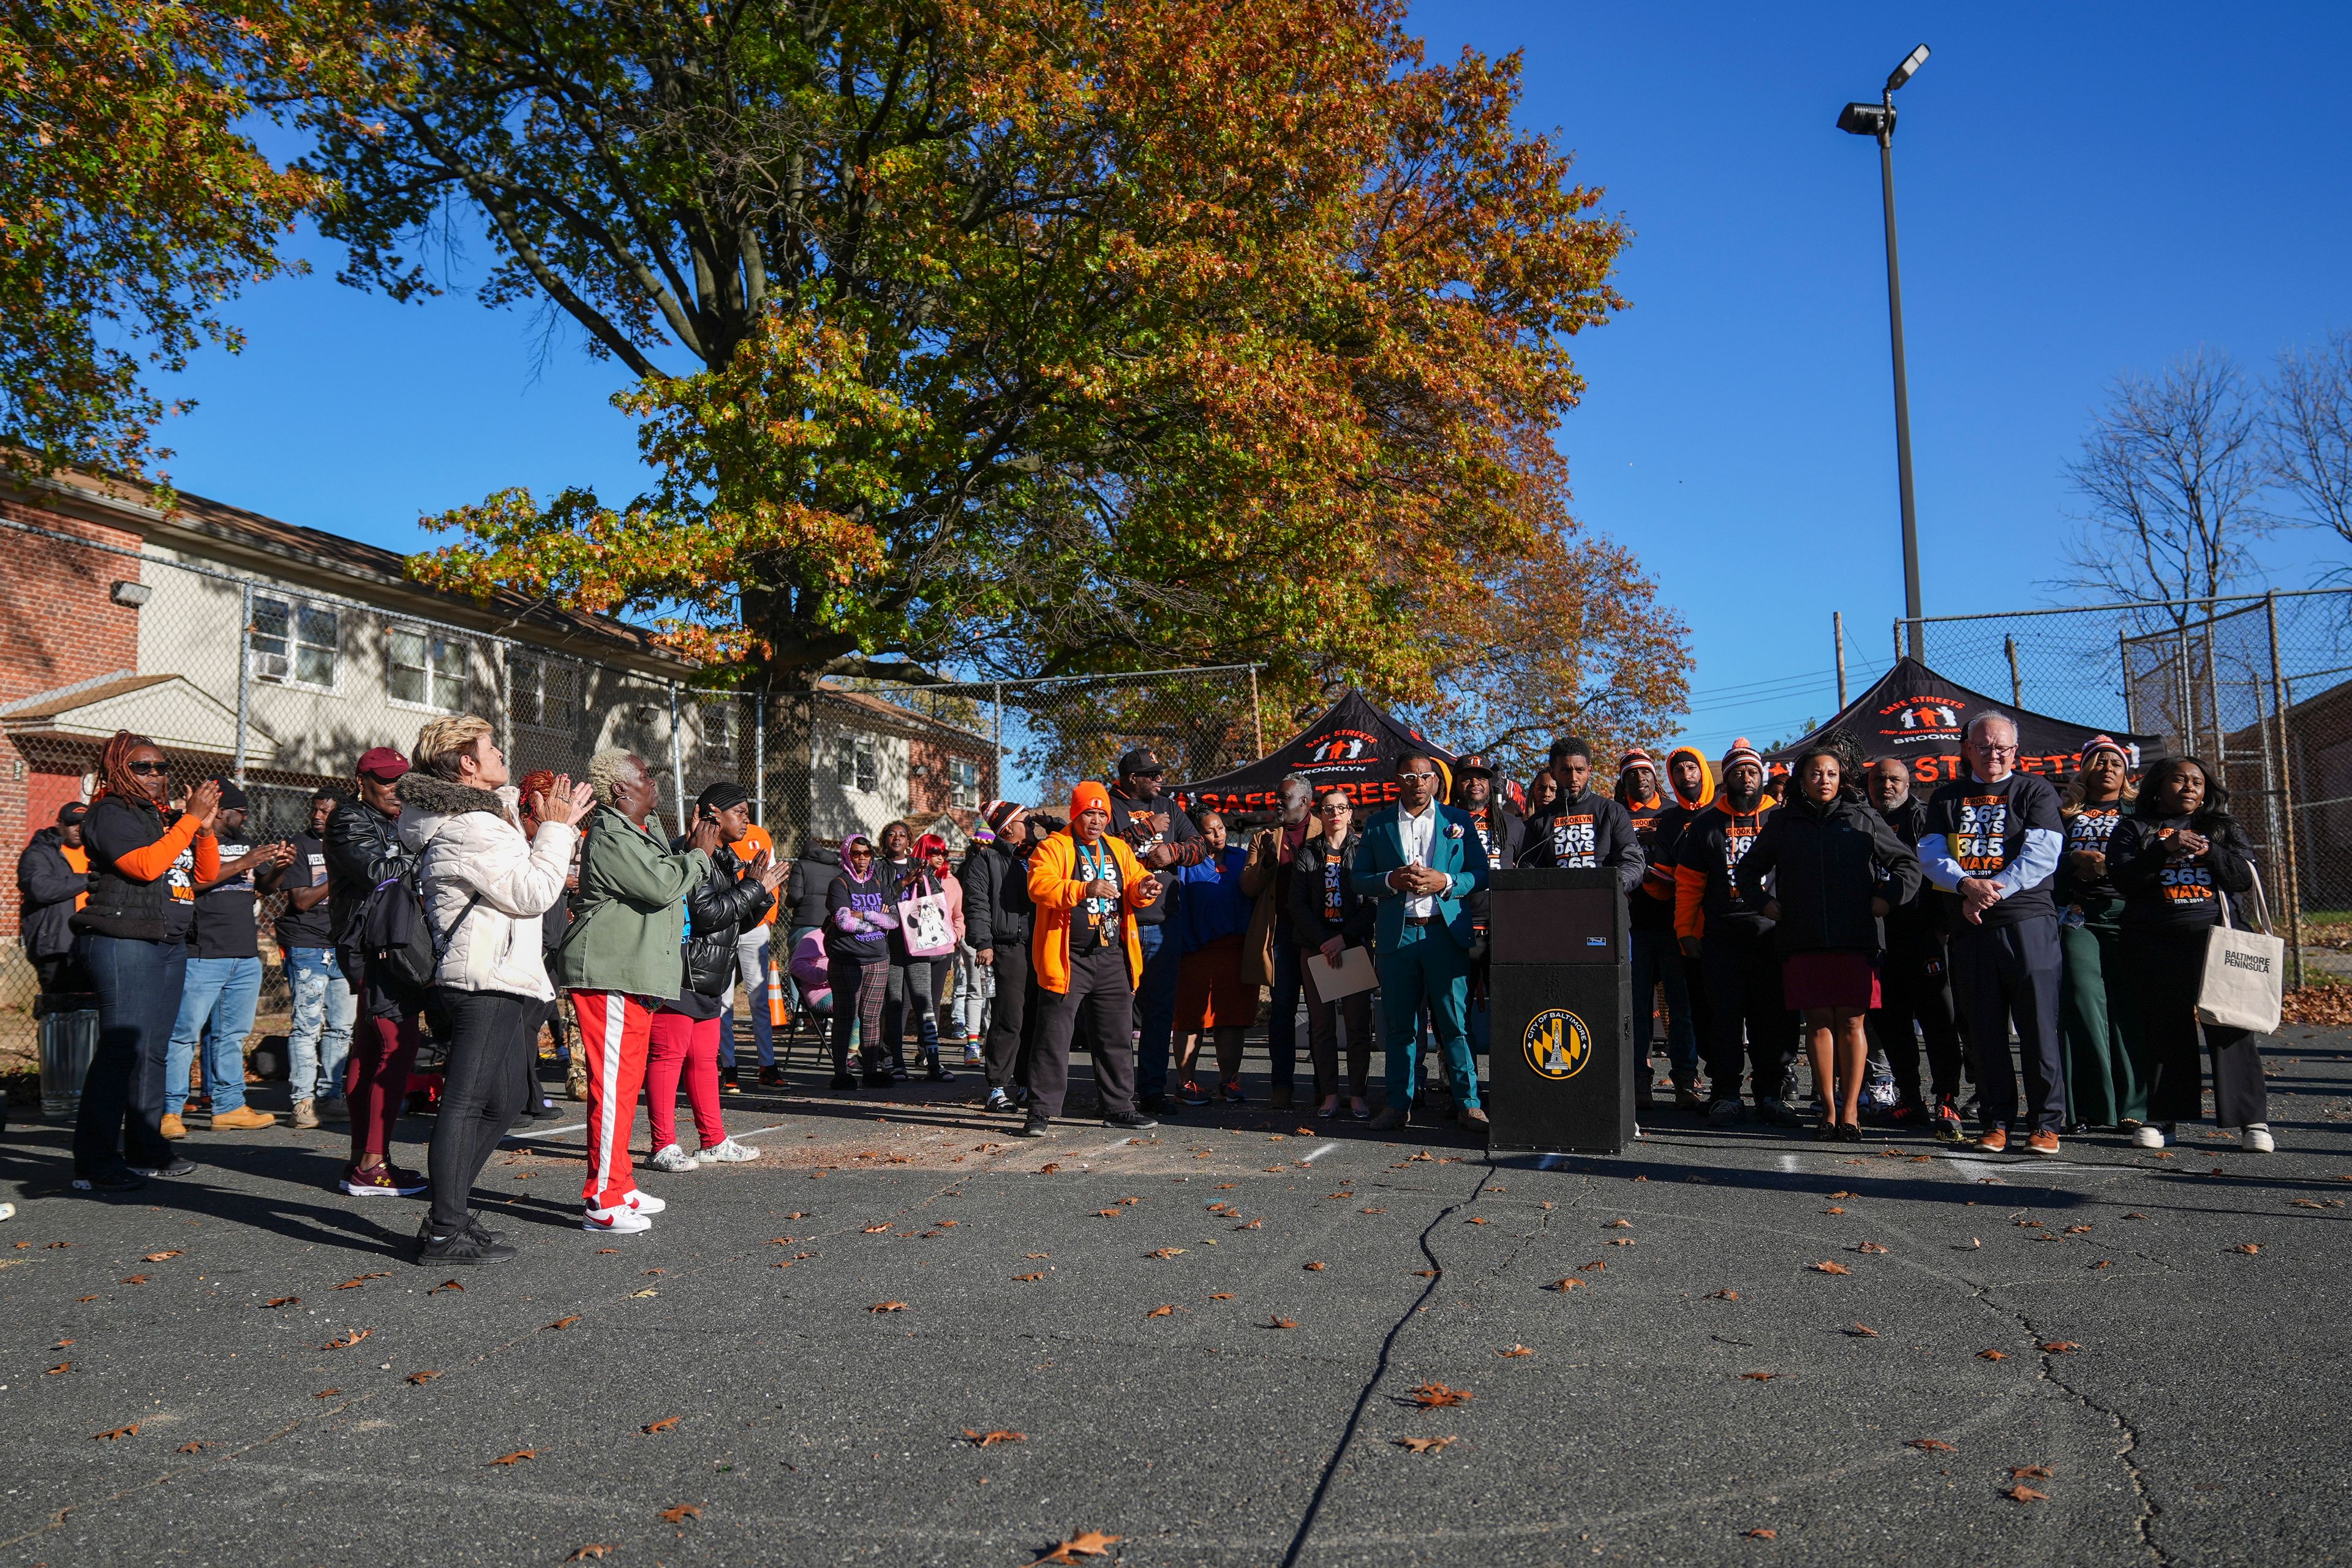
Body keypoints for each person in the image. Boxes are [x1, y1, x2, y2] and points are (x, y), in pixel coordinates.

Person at [396, 717, 588, 1263]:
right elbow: (532, 893)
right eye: (491, 747)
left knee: (503, 1103)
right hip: (483, 980)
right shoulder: (469, 827)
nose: (503, 751)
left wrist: (551, 821)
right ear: (467, 764)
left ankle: (449, 1210)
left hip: (502, 976)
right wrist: (556, 831)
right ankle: (444, 1229)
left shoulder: (482, 816)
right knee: (465, 1102)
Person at [553, 748, 721, 1234]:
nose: (655, 784)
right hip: (609, 975)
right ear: (620, 790)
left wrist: (692, 854)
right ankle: (602, 1197)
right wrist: (698, 854)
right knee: (610, 1090)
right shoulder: (609, 834)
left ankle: (621, 1184)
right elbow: (663, 885)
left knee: (626, 1087)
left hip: (633, 976)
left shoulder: (637, 833)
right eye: (646, 777)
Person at [1738, 744, 1920, 1140]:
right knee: (1819, 1023)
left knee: (1853, 1022)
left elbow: (1907, 864)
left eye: (1832, 774)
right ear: (1802, 778)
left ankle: (1851, 1113)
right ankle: (1828, 1111)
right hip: (1802, 939)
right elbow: (1747, 873)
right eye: (1817, 773)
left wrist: (1886, 898)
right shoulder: (1783, 823)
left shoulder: (1863, 817)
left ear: (1842, 779)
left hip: (1856, 937)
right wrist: (1766, 904)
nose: (1825, 780)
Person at [69, 733, 216, 1192]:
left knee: (153, 1049)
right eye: (142, 767)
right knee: (120, 1051)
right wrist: (189, 822)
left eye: (161, 766)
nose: (155, 774)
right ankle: (95, 1161)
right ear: (118, 771)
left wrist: (204, 829)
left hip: (166, 941)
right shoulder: (109, 813)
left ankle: (145, 1148)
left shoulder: (163, 818)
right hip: (122, 941)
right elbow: (145, 867)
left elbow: (205, 876)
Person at [1919, 712, 2067, 1157]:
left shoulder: (2034, 790)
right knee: (1983, 1032)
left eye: (2002, 747)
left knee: (2039, 1028)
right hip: (1971, 929)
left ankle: (2045, 1124)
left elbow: (2045, 853)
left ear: (2015, 750)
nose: (1994, 755)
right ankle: (1996, 1120)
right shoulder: (1946, 798)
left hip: (2027, 923)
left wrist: (1989, 892)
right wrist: (1966, 885)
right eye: (1984, 746)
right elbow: (1929, 854)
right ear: (1967, 749)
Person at [2107, 756, 2271, 1153]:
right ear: (2159, 787)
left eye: (2197, 782)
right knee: (2164, 1030)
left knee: (2231, 1027)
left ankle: (2252, 1121)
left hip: (2219, 941)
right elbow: (2123, 880)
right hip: (2155, 941)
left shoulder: (2222, 827)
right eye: (2179, 780)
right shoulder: (2134, 828)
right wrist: (2164, 849)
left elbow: (2244, 878)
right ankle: (2164, 1118)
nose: (2189, 787)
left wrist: (2212, 851)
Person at [647, 790, 785, 1174]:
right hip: (680, 974)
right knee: (667, 1058)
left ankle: (713, 1139)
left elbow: (734, 921)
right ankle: (663, 1145)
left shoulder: (725, 859)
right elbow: (706, 914)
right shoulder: (690, 854)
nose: (746, 820)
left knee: (705, 1061)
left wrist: (761, 891)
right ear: (712, 815)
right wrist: (754, 887)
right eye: (739, 812)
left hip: (710, 974)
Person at [1355, 753, 1491, 1134]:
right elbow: (1359, 878)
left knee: (1455, 1024)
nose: (1418, 782)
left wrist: (1445, 882)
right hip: (1398, 938)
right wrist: (1389, 880)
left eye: (1425, 776)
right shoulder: (1379, 824)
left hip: (1443, 934)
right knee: (1400, 1027)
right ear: (1398, 780)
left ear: (1436, 782)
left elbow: (1480, 873)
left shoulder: (1459, 820)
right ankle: (1398, 1105)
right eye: (1410, 776)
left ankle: (1469, 1103)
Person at [1022, 781, 1163, 1137]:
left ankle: (1119, 1107)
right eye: (1090, 813)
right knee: (1053, 1036)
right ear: (1076, 814)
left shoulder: (1117, 848)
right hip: (1067, 958)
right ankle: (1040, 1111)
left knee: (1116, 1036)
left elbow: (1134, 881)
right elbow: (1039, 886)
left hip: (1113, 955)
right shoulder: (1053, 847)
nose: (1097, 820)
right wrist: (1084, 888)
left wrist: (1144, 889)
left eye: (1102, 814)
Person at [1675, 739, 1799, 1126]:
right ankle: (1726, 1094)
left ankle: (1771, 1095)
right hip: (1722, 938)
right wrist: (1685, 930)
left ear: (1762, 776)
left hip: (1773, 937)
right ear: (1725, 779)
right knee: (1723, 1021)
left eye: (1752, 771)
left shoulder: (1783, 820)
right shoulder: (1706, 825)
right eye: (1738, 772)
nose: (1746, 778)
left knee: (1773, 1020)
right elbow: (1689, 884)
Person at [327, 745, 429, 1198]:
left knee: (370, 1049)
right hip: (372, 945)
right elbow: (378, 872)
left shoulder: (393, 820)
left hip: (386, 942)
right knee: (396, 1045)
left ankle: (366, 1161)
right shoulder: (349, 819)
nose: (397, 791)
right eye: (388, 782)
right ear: (362, 782)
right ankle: (371, 1164)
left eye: (403, 782)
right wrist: (429, 852)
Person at [162, 781, 292, 1136]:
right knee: (183, 1035)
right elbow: (190, 883)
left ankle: (229, 1106)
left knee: (231, 1035)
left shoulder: (245, 843)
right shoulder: (189, 840)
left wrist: (278, 867)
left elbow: (263, 888)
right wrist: (244, 863)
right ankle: (169, 1110)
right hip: (202, 953)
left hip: (244, 954)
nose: (246, 819)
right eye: (241, 813)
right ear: (220, 811)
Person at [1864, 759, 1967, 1140]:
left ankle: (1946, 1098)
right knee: (1892, 1023)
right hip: (1878, 936)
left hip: (1923, 935)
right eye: (1879, 779)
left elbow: (1944, 869)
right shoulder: (1860, 817)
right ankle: (1910, 1098)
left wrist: (1942, 927)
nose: (1886, 785)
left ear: (1909, 784)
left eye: (1894, 779)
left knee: (1939, 1020)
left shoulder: (1924, 818)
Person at [1104, 748, 1206, 1114]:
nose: (1160, 779)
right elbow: (1103, 853)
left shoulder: (1169, 805)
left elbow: (1201, 847)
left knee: (1160, 1010)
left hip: (1165, 923)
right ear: (1133, 778)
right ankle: (1116, 1093)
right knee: (1115, 1011)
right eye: (1153, 774)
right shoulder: (1109, 805)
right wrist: (1146, 832)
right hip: (1121, 924)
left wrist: (1174, 853)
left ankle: (1151, 1089)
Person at [2056, 737, 2141, 1131]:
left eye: (2116, 763)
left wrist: (2113, 866)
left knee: (2127, 1003)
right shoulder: (2064, 815)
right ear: (2084, 769)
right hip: (2078, 916)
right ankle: (2090, 1106)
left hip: (2128, 916)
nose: (2108, 767)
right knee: (2082, 1000)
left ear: (2126, 774)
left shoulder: (2140, 813)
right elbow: (2042, 864)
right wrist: (2072, 860)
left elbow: (2154, 863)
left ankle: (2134, 1108)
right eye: (2099, 761)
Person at [259, 789, 354, 1130]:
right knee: (307, 1026)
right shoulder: (300, 846)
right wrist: (342, 875)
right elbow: (300, 901)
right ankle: (303, 1100)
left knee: (341, 1028)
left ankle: (330, 1097)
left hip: (342, 945)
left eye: (326, 812)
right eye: (315, 810)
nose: (318, 816)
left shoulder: (349, 844)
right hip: (308, 946)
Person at [1290, 787, 1377, 1118]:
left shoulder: (1364, 850)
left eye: (1342, 808)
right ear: (1320, 814)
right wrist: (1325, 941)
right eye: (1328, 809)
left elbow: (1372, 902)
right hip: (1317, 950)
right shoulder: (1308, 852)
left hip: (1352, 948)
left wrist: (1344, 938)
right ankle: (1328, 1094)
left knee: (1357, 1027)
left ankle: (1357, 1095)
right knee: (1322, 1027)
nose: (1335, 814)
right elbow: (1296, 905)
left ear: (1351, 813)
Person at [1635, 747, 1712, 1109]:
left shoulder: (1678, 813)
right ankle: (1638, 1081)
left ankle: (1686, 1080)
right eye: (1677, 769)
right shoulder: (1618, 814)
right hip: (1635, 924)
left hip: (1677, 925)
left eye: (1690, 767)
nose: (1639, 779)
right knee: (1635, 1010)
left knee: (1681, 1008)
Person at [1171, 810, 1257, 1104]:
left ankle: (1229, 1082)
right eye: (1209, 831)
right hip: (1196, 952)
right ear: (1197, 835)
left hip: (1236, 952)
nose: (1218, 834)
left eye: (1221, 828)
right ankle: (1187, 1083)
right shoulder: (1185, 864)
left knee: (1232, 1020)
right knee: (1190, 1019)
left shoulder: (1241, 858)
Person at [1240, 772, 1314, 1110]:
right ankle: (1282, 1086)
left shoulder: (1328, 830)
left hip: (1318, 936)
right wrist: (1269, 860)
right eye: (1277, 797)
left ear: (1305, 801)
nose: (1278, 803)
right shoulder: (1264, 839)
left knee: (1322, 1013)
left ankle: (1325, 1086)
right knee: (1281, 1012)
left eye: (1284, 797)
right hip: (1282, 937)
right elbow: (1248, 887)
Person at [962, 801, 1039, 1114]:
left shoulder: (1040, 855)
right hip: (1007, 947)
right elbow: (977, 905)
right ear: (1008, 828)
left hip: (1041, 946)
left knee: (1036, 1018)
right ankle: (997, 1087)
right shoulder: (986, 860)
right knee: (1010, 1018)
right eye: (1026, 820)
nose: (1032, 824)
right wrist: (983, 943)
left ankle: (1025, 1083)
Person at [710, 785, 780, 1091]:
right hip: (723, 922)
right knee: (723, 999)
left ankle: (767, 1065)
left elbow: (772, 877)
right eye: (737, 810)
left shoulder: (760, 835)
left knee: (759, 998)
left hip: (754, 925)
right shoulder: (713, 835)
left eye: (745, 811)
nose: (743, 817)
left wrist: (766, 918)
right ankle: (730, 1067)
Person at [1520, 737, 1646, 892]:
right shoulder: (1538, 822)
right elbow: (1529, 871)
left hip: (1605, 905)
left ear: (1590, 770)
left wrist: (1617, 884)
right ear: (1553, 773)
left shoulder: (1612, 811)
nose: (1573, 778)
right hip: (1556, 908)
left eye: (1580, 770)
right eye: (1566, 770)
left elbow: (1632, 860)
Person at [826, 832, 899, 1088]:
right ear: (847, 854)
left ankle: (870, 1071)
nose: (862, 859)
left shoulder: (879, 883)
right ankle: (841, 1073)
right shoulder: (840, 884)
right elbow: (844, 923)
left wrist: (865, 913)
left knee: (871, 1017)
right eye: (856, 853)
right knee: (846, 1017)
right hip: (846, 959)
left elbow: (894, 920)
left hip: (878, 959)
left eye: (866, 853)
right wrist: (877, 920)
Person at [18, 799, 92, 995]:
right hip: (56, 945)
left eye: (83, 824)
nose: (78, 828)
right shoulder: (39, 852)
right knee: (59, 1009)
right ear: (58, 823)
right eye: (72, 823)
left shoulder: (95, 853)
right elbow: (39, 888)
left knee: (91, 1011)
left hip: (92, 941)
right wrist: (88, 879)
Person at [784, 835, 840, 1015]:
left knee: (799, 964)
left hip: (804, 921)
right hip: (828, 925)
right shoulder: (835, 868)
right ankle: (830, 1016)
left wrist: (788, 903)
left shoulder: (801, 865)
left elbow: (795, 895)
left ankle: (799, 1013)